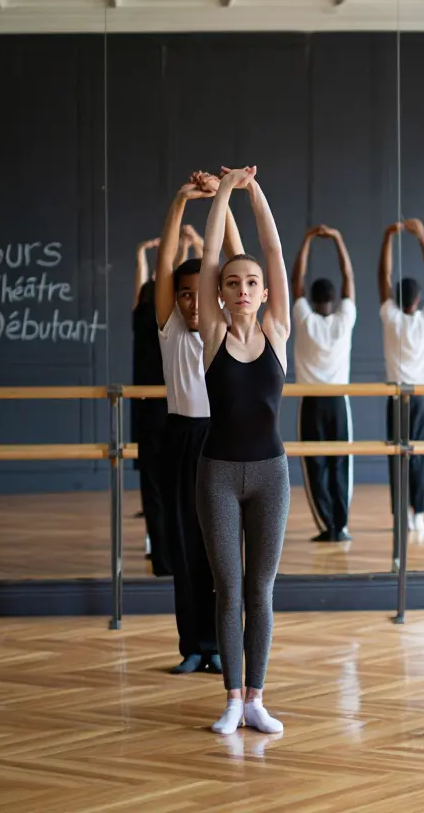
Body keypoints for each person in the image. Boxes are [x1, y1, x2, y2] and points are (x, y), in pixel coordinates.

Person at [196, 165, 291, 735]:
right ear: (222, 293)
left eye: (251, 283)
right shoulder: (213, 333)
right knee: (228, 588)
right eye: (233, 283)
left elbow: (274, 251)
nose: (243, 289)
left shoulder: (277, 329)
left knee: (261, 589)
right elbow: (210, 256)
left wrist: (254, 191)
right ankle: (232, 697)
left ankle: (257, 697)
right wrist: (224, 192)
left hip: (272, 475)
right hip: (219, 475)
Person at [155, 181, 243, 676]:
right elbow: (167, 263)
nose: (191, 304)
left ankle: (225, 646)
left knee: (225, 555)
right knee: (185, 546)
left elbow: (237, 258)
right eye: (183, 296)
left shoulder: (225, 329)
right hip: (182, 438)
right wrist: (180, 202)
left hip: (225, 442)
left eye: (199, 296)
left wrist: (224, 203)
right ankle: (194, 644)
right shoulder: (170, 329)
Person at [133, 227, 196, 577]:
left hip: (148, 406)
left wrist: (141, 254)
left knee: (156, 489)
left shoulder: (144, 309)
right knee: (177, 489)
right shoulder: (169, 320)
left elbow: (160, 274)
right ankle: (179, 554)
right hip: (172, 405)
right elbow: (171, 272)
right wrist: (188, 242)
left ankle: (162, 558)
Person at [290, 224, 357, 543]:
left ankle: (328, 525)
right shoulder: (345, 319)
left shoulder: (304, 319)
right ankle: (340, 525)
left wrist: (306, 241)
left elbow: (295, 282)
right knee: (340, 463)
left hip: (312, 401)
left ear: (313, 300)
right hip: (338, 402)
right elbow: (350, 281)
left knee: (315, 465)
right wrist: (339, 239)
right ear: (333, 299)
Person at [378, 218, 424, 539]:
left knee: (397, 457)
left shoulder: (389, 317)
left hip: (396, 399)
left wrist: (389, 237)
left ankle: (404, 512)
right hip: (421, 399)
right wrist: (422, 236)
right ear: (416, 301)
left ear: (398, 299)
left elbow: (383, 276)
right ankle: (420, 515)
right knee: (420, 456)